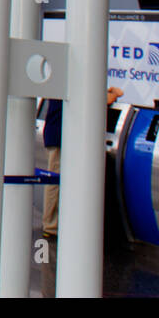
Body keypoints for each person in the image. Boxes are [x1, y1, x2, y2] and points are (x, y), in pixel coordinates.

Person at [41, 85, 124, 238]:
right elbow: (105, 99)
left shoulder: (66, 79)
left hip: (57, 134)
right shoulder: (76, 81)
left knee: (56, 180)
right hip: (61, 136)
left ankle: (54, 224)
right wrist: (115, 92)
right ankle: (51, 226)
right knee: (55, 181)